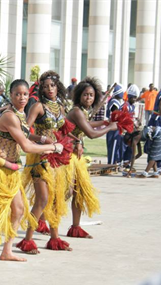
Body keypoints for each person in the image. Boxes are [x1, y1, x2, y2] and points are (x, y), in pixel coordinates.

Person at [0, 79, 63, 269]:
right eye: (17, 94)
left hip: (11, 170)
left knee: (18, 210)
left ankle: (7, 251)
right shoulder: (9, 116)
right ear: (10, 95)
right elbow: (26, 146)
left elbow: (24, 135)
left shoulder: (20, 115)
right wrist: (52, 147)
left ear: (29, 96)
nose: (22, 97)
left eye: (25, 94)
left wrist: (43, 139)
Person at [17, 70, 72, 253]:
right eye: (46, 86)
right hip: (40, 157)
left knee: (56, 199)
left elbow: (63, 131)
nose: (50, 89)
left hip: (57, 158)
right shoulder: (38, 107)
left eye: (53, 86)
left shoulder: (61, 108)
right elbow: (25, 130)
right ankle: (27, 240)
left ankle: (55, 239)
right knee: (42, 199)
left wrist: (73, 142)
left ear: (58, 88)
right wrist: (42, 140)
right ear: (41, 89)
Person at [64, 77, 119, 239]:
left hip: (76, 156)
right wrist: (109, 127)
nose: (89, 98)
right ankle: (42, 219)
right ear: (79, 96)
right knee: (64, 193)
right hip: (66, 156)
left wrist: (103, 122)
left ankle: (75, 227)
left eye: (92, 95)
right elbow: (91, 134)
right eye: (86, 95)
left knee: (79, 191)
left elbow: (86, 126)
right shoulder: (76, 112)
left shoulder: (82, 112)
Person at [106, 84, 125, 165]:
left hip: (113, 126)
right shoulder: (114, 102)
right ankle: (112, 164)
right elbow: (115, 115)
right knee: (113, 146)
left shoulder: (113, 100)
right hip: (114, 127)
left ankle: (114, 162)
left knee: (114, 146)